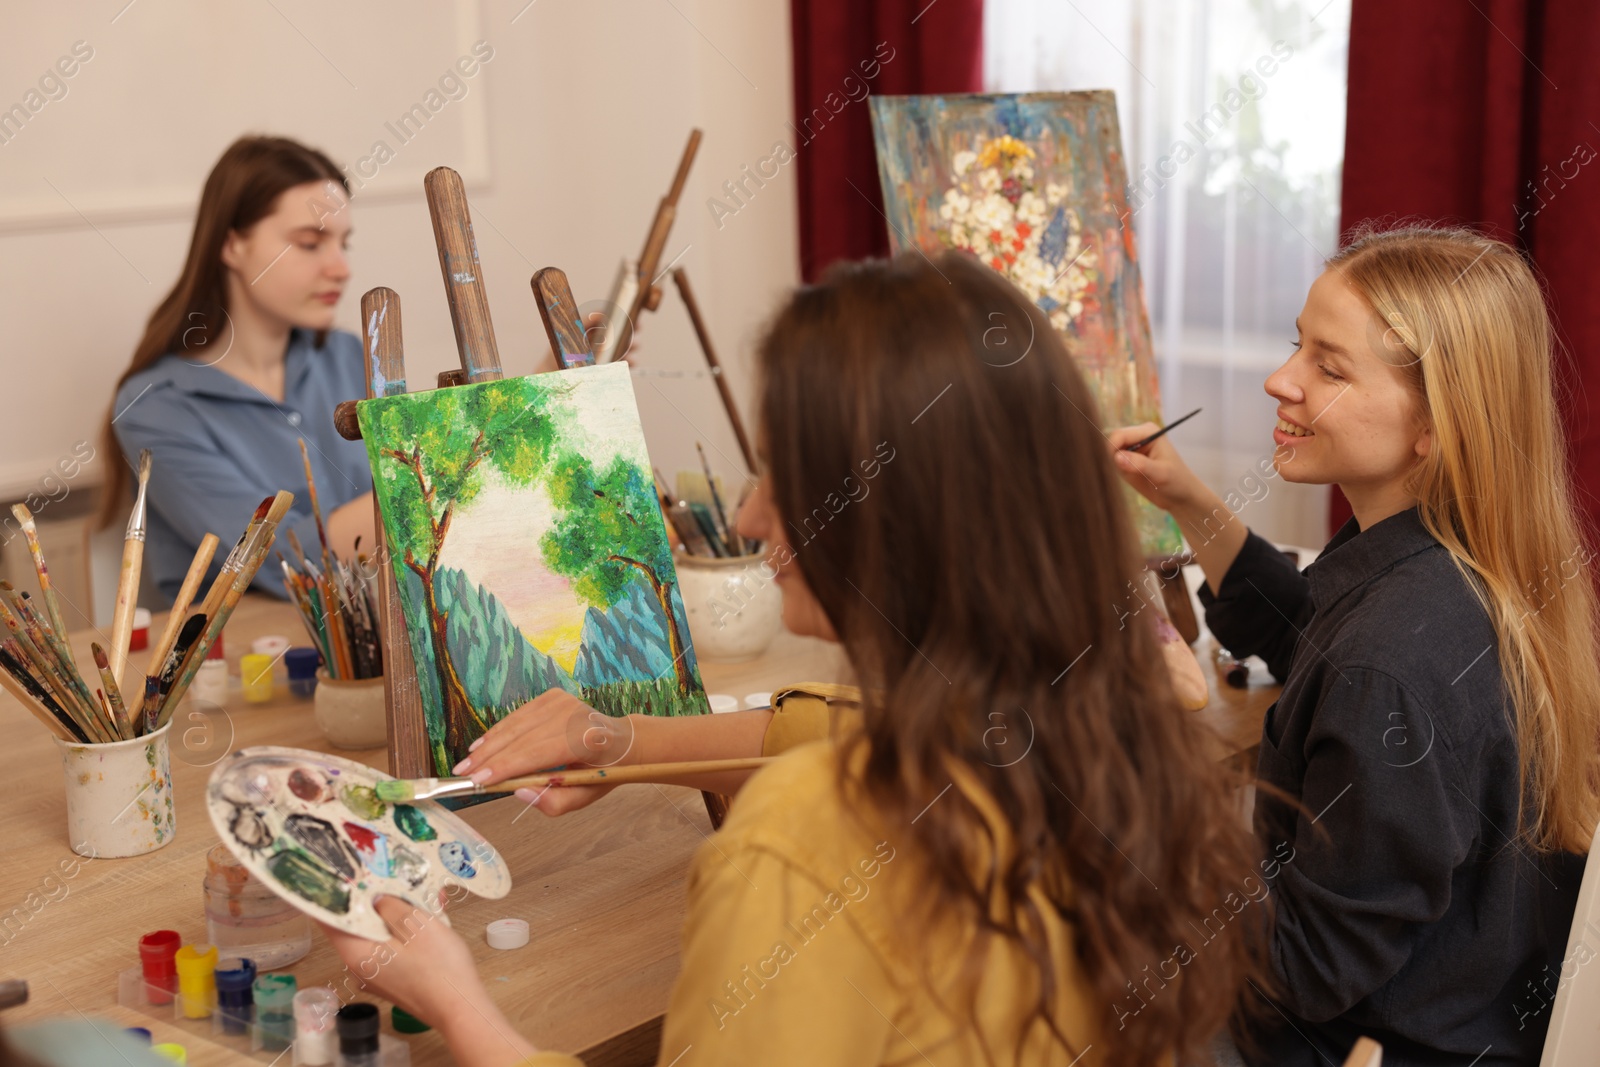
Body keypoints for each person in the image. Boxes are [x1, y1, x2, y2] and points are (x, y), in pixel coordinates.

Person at [320, 252, 1266, 1067]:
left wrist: (461, 1006)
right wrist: (627, 740)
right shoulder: (1108, 730)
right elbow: (841, 727)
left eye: (778, 471)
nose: (747, 515)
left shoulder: (806, 838)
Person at [1108, 225, 1600, 1065]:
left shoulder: (1394, 666)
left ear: (1433, 427)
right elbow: (1303, 629)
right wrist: (1187, 497)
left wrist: (1144, 792)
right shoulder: (1444, 561)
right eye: (1296, 345)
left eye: (1329, 368)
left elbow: (1303, 965)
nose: (1278, 381)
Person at [99, 135, 371, 602]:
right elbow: (281, 561)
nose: (341, 267)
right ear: (232, 245)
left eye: (344, 244)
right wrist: (419, 489)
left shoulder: (349, 356)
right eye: (310, 243)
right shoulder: (156, 407)